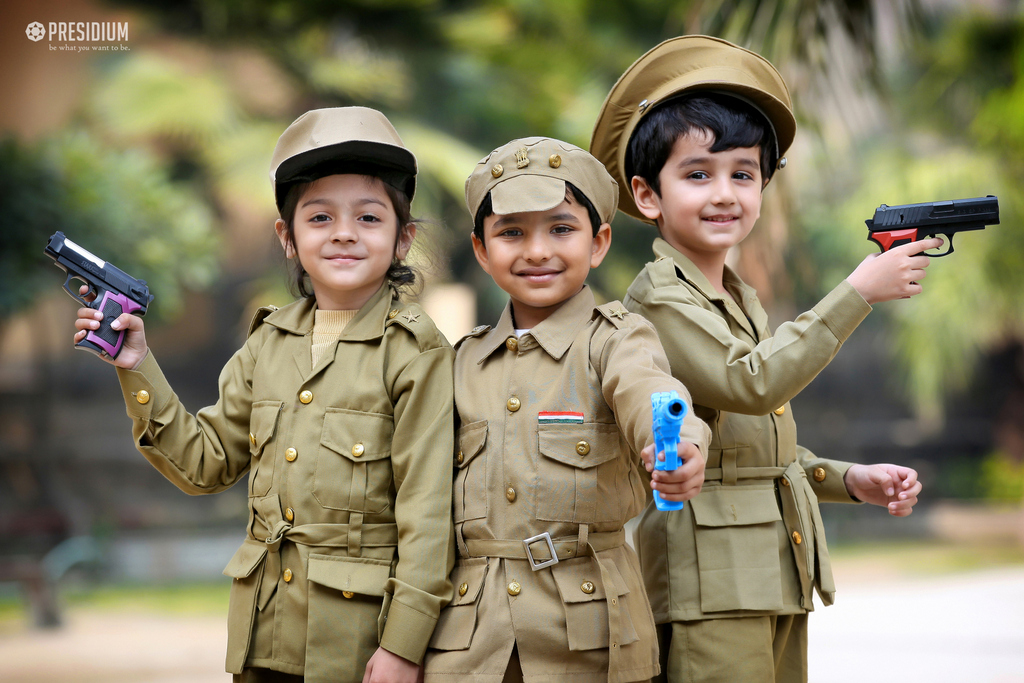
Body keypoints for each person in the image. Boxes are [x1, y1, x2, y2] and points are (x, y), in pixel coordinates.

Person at [589, 36, 931, 682]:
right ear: (647, 194)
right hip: (707, 588)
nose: (725, 193)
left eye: (743, 173)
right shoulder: (659, 299)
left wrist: (848, 478)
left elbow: (750, 444)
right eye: (698, 174)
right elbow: (754, 381)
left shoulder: (735, 296)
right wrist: (859, 290)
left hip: (771, 573)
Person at [73, 107, 456, 683]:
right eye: (320, 216)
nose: (344, 233)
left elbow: (428, 517)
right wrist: (137, 364)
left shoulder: (417, 354)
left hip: (358, 648)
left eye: (369, 217)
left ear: (404, 239)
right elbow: (204, 463)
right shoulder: (267, 344)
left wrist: (404, 645)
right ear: (288, 236)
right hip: (264, 636)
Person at [423, 137, 711, 683]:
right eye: (511, 233)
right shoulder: (461, 363)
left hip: (589, 642)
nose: (536, 251)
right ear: (482, 250)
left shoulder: (615, 341)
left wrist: (677, 446)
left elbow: (652, 392)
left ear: (599, 241)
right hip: (469, 646)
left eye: (560, 229)